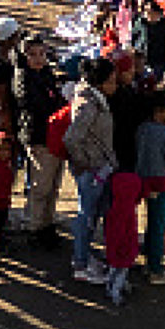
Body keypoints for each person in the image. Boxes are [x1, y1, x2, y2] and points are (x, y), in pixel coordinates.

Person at [64, 54, 119, 283]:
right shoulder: (89, 105)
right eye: (112, 81)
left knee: (92, 214)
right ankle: (81, 264)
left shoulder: (94, 100)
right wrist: (83, 161)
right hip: (92, 169)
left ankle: (85, 256)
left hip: (98, 166)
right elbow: (72, 138)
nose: (115, 85)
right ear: (101, 82)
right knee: (86, 216)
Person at [13, 32, 70, 246]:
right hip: (38, 137)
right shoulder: (23, 77)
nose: (38, 58)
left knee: (53, 184)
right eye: (33, 54)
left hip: (54, 137)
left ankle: (47, 223)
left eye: (41, 53)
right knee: (41, 186)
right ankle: (35, 227)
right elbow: (35, 105)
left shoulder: (47, 74)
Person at [135, 85, 165, 285]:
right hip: (160, 181)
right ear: (161, 110)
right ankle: (155, 267)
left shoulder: (141, 128)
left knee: (149, 221)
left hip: (141, 178)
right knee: (157, 224)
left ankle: (148, 254)